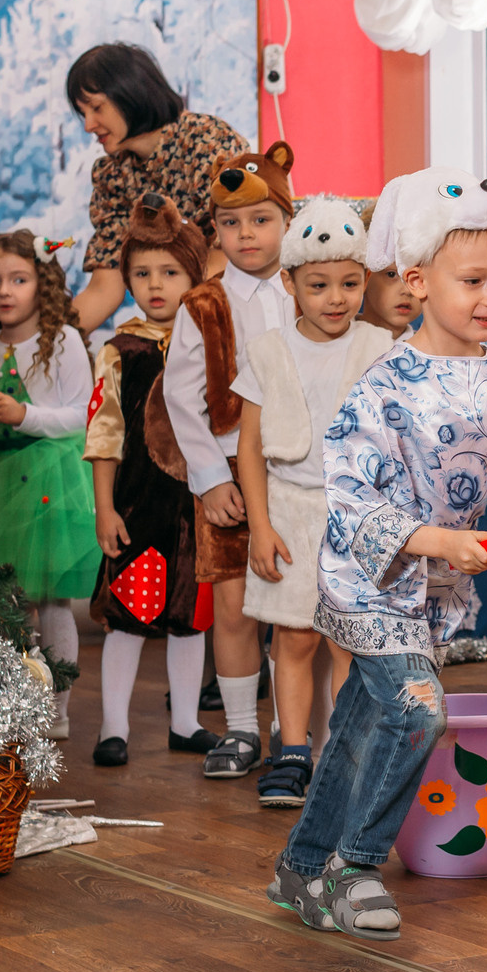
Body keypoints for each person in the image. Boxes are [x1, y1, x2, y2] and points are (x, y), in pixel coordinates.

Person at [267, 169, 487, 938]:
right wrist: (438, 542)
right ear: (418, 280)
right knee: (419, 711)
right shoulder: (383, 387)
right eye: (473, 280)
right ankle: (354, 866)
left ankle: (300, 870)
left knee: (363, 723)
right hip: (369, 581)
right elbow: (354, 494)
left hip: (428, 594)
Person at [235, 195, 394, 811]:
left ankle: (348, 757)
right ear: (290, 283)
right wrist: (259, 526)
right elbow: (249, 449)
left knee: (348, 643)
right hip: (292, 511)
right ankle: (292, 752)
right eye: (319, 284)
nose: (336, 298)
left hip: (357, 516)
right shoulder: (271, 352)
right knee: (293, 641)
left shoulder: (378, 348)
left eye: (350, 284)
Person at [164, 143, 297, 781]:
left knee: (301, 606)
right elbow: (179, 399)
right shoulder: (204, 305)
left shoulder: (312, 291)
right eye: (231, 223)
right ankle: (243, 730)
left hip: (299, 473)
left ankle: (298, 732)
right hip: (228, 481)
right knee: (237, 606)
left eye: (261, 220)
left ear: (288, 221)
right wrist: (211, 478)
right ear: (214, 229)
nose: (246, 234)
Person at [84, 198, 215, 767]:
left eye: (170, 272)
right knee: (129, 618)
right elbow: (104, 433)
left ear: (194, 274)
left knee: (190, 617)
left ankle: (186, 723)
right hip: (138, 508)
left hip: (201, 508)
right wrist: (105, 509)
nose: (155, 285)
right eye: (142, 273)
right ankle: (114, 726)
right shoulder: (120, 351)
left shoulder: (213, 344)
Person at [0, 231, 100, 734]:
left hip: (46, 480)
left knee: (51, 600)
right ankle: (13, 702)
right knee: (5, 602)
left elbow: (79, 416)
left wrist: (24, 415)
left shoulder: (60, 340)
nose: (5, 291)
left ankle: (57, 708)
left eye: (18, 280)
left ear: (39, 284)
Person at [68, 43, 249, 331]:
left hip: (231, 319)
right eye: (83, 113)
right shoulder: (112, 176)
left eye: (97, 108)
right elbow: (104, 288)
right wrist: (45, 346)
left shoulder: (209, 143)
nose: (88, 124)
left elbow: (229, 257)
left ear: (130, 94)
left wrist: (174, 339)